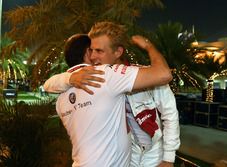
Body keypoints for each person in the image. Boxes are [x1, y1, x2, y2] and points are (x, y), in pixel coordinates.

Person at [44, 22, 180, 167]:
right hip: (129, 156)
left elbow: (170, 114)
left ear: (118, 52)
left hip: (154, 154)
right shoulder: (96, 79)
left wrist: (168, 158)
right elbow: (48, 85)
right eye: (91, 50)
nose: (93, 57)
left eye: (99, 51)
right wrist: (69, 78)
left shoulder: (146, 76)